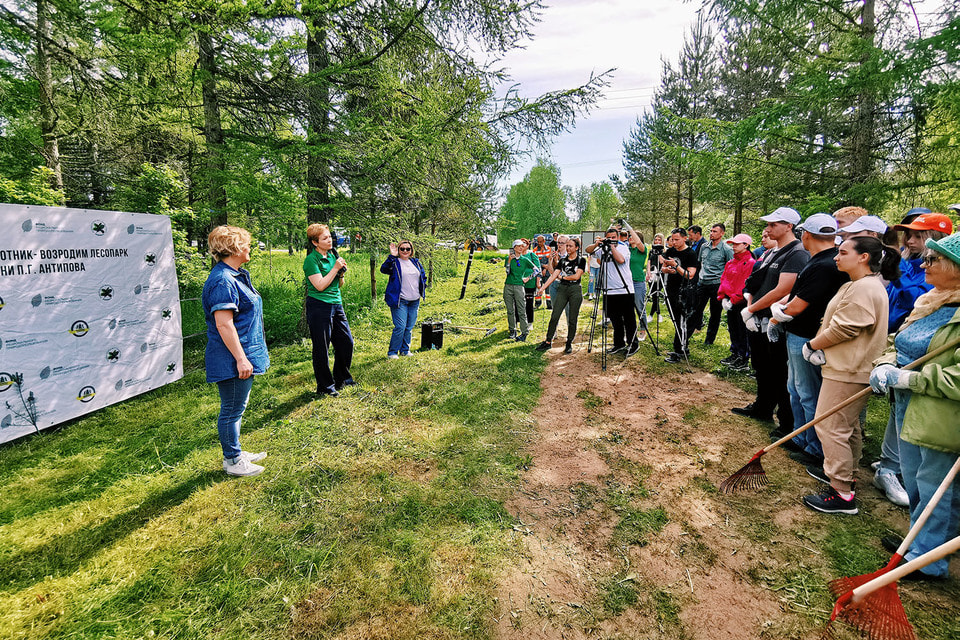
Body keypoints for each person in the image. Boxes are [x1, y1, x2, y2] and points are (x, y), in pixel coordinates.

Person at [869, 232, 960, 578]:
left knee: (936, 484)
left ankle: (929, 559)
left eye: (933, 260)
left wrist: (912, 379)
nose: (923, 264)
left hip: (940, 412)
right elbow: (900, 339)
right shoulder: (932, 301)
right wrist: (886, 364)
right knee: (913, 478)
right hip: (906, 403)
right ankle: (916, 541)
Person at [801, 236, 897, 515]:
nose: (836, 257)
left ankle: (841, 493)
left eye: (843, 252)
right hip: (847, 367)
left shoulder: (865, 288)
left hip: (849, 370)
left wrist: (812, 345)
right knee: (847, 427)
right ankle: (845, 476)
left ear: (863, 257)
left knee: (831, 426)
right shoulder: (856, 285)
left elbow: (845, 328)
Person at [871, 212, 953, 507]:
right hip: (898, 345)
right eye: (908, 234)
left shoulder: (934, 275)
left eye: (919, 236)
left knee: (911, 425)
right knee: (897, 415)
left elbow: (912, 297)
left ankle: (895, 469)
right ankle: (891, 464)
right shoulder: (906, 262)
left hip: (925, 369)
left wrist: (902, 276)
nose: (910, 241)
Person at [768, 214, 848, 466]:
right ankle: (800, 437)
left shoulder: (824, 265)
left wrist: (777, 316)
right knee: (796, 389)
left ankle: (813, 446)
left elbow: (798, 305)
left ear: (806, 235)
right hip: (800, 333)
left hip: (805, 335)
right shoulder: (820, 261)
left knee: (807, 392)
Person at [734, 207, 809, 438]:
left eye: (774, 224)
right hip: (758, 318)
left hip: (775, 321)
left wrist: (751, 309)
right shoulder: (771, 252)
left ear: (789, 226)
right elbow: (757, 282)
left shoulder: (797, 253)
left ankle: (786, 422)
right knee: (761, 366)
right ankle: (763, 406)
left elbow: (783, 289)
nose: (768, 228)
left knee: (779, 371)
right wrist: (751, 307)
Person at [202, 225, 269, 477]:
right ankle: (232, 460)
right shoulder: (222, 280)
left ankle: (236, 451)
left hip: (240, 353)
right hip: (230, 357)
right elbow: (223, 323)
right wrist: (241, 359)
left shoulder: (234, 274)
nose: (250, 247)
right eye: (246, 243)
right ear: (234, 247)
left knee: (237, 406)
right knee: (231, 410)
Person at [304, 223, 355, 397]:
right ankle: (325, 387)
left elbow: (338, 285)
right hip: (319, 306)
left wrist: (341, 274)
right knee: (321, 348)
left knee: (346, 342)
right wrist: (334, 269)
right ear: (315, 242)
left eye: (330, 237)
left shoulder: (333, 255)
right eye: (325, 238)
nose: (330, 240)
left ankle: (341, 379)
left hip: (336, 303)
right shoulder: (311, 260)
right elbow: (319, 286)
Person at [586, 227, 637, 355]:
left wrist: (612, 247)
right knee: (615, 320)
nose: (611, 240)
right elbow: (588, 250)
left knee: (629, 319)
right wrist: (597, 244)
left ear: (618, 237)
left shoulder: (623, 247)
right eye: (609, 238)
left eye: (613, 238)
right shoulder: (602, 249)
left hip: (625, 289)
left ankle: (633, 344)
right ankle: (618, 344)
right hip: (609, 290)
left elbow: (620, 260)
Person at [535, 237, 586, 353]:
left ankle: (569, 343)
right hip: (563, 289)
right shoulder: (562, 261)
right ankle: (548, 341)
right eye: (567, 246)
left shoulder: (581, 260)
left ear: (576, 248)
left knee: (572, 318)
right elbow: (553, 275)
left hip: (575, 289)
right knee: (554, 315)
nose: (568, 248)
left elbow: (576, 276)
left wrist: (563, 277)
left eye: (570, 246)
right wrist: (542, 288)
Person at [380, 240, 427, 359]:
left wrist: (423, 287)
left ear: (411, 250)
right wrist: (391, 255)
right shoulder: (395, 263)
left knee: (409, 327)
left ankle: (405, 350)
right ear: (398, 250)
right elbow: (383, 269)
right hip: (400, 300)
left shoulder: (415, 262)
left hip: (414, 300)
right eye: (402, 249)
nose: (405, 251)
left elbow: (423, 276)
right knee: (400, 327)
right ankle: (392, 352)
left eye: (408, 249)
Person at [717, 233, 756, 370]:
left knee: (741, 330)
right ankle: (735, 353)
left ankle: (743, 357)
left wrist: (733, 299)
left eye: (737, 244)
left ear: (746, 245)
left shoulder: (750, 263)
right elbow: (724, 279)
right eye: (733, 244)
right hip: (729, 301)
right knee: (732, 328)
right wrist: (723, 297)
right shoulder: (731, 262)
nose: (733, 246)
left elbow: (744, 284)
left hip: (740, 302)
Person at [690, 223, 733, 346]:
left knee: (715, 314)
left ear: (722, 233)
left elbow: (730, 269)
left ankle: (709, 340)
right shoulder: (704, 246)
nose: (711, 233)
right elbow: (699, 263)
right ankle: (688, 334)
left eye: (715, 231)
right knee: (695, 310)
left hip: (717, 285)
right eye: (711, 231)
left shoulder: (726, 249)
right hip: (702, 283)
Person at [660, 228, 698, 363]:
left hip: (684, 292)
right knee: (676, 320)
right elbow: (662, 266)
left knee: (682, 322)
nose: (674, 242)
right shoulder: (670, 251)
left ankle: (679, 350)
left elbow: (690, 275)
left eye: (677, 239)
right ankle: (681, 347)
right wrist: (666, 269)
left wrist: (676, 266)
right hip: (671, 290)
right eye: (672, 239)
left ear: (684, 238)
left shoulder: (690, 254)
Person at [504, 239, 539, 341]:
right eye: (518, 246)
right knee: (510, 310)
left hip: (519, 286)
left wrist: (528, 278)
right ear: (514, 247)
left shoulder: (525, 260)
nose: (520, 248)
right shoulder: (508, 258)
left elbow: (537, 270)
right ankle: (512, 330)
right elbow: (507, 272)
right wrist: (510, 261)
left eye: (522, 246)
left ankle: (524, 332)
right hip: (508, 286)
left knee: (521, 310)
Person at [625, 227, 648, 340]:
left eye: (633, 236)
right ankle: (629, 331)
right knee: (627, 308)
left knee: (640, 308)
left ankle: (643, 330)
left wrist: (631, 230)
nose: (630, 238)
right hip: (626, 282)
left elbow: (639, 243)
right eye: (629, 236)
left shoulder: (642, 250)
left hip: (638, 282)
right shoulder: (626, 249)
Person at [646, 233, 666, 321]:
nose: (657, 241)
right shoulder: (651, 251)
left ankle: (651, 315)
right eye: (656, 239)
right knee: (653, 295)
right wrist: (648, 272)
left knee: (657, 294)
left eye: (659, 240)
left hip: (660, 275)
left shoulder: (665, 251)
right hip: (652, 273)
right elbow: (649, 261)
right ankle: (658, 314)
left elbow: (662, 262)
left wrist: (659, 252)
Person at [532, 235, 552, 308]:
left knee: (548, 288)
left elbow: (551, 260)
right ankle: (537, 303)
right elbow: (534, 262)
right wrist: (543, 267)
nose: (539, 243)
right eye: (538, 242)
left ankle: (549, 304)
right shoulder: (535, 250)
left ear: (544, 241)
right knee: (538, 287)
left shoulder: (549, 249)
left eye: (541, 242)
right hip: (538, 271)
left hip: (548, 270)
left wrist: (546, 268)